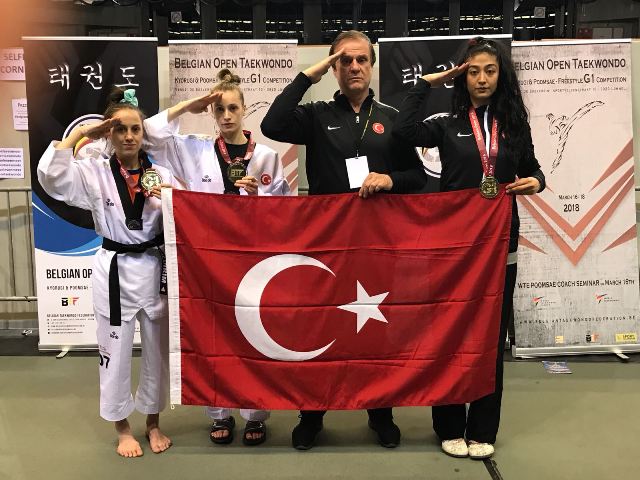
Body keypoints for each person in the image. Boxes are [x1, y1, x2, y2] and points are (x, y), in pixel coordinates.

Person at [261, 30, 427, 450]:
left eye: (361, 60)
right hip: (325, 245)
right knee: (320, 324)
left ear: (371, 65)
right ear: (333, 68)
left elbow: (418, 177)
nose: (354, 67)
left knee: (376, 330)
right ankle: (312, 413)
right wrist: (308, 75)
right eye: (344, 61)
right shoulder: (316, 115)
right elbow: (271, 124)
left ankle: (380, 411)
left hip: (378, 244)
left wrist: (390, 179)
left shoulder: (392, 117)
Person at [392, 37, 546, 460]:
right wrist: (426, 83)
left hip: (499, 248)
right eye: (473, 71)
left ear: (501, 76)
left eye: (489, 71)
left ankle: (482, 428)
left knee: (490, 342)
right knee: (449, 336)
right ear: (462, 76)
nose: (481, 79)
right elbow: (404, 131)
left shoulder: (514, 125)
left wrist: (535, 182)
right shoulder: (447, 124)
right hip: (454, 251)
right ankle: (448, 425)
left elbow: (534, 170)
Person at [144, 69, 289, 447]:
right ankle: (219, 412)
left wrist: (258, 197)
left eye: (232, 108)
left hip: (252, 258)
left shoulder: (267, 157)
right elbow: (150, 135)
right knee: (212, 335)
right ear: (211, 112)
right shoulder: (194, 149)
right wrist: (187, 106)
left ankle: (256, 413)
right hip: (207, 259)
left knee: (252, 334)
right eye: (219, 109)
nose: (226, 115)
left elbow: (285, 209)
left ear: (244, 110)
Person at [37, 88, 179, 458]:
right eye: (120, 129)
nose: (129, 136)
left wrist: (169, 201)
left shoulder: (162, 175)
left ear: (143, 134)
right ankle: (122, 428)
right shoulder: (93, 172)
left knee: (157, 352)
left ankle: (153, 422)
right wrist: (82, 135)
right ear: (108, 133)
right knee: (114, 352)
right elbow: (52, 177)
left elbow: (185, 217)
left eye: (135, 129)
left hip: (155, 269)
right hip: (114, 270)